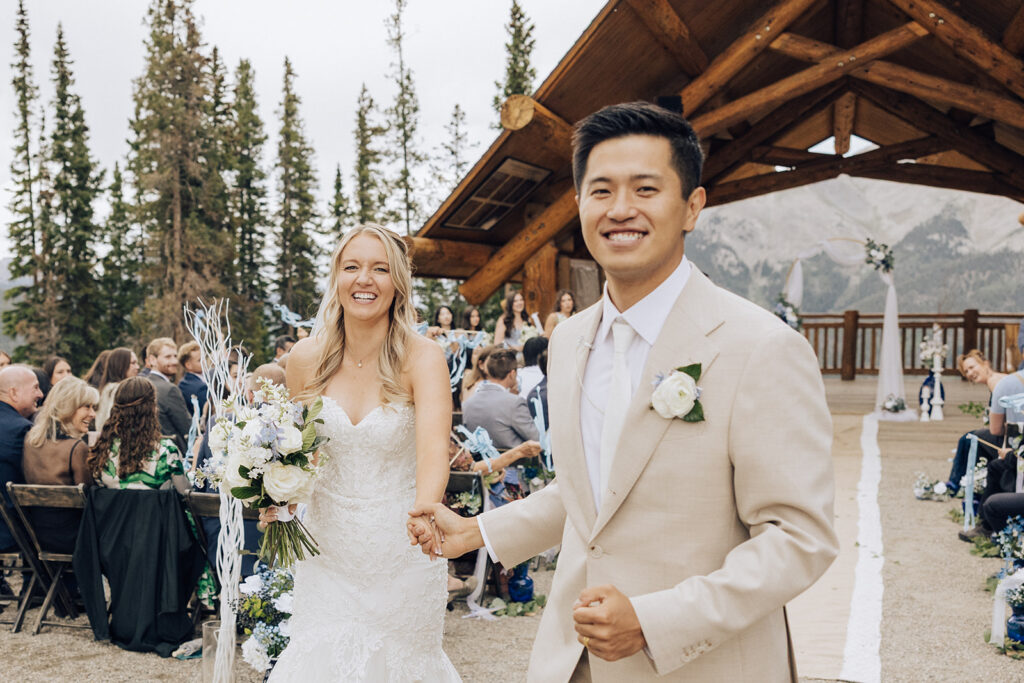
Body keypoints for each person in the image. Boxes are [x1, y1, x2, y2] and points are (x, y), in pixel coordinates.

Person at [410, 102, 837, 681]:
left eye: (645, 189)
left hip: (702, 665)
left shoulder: (760, 346)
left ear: (691, 207)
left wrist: (656, 620)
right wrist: (478, 531)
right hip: (572, 662)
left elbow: (799, 538)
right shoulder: (568, 340)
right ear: (580, 204)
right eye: (602, 190)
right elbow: (591, 495)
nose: (621, 210)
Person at [260, 223, 459, 681]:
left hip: (403, 548)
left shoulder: (423, 356)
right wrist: (277, 498)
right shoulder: (305, 358)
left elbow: (433, 451)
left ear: (398, 284)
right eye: (352, 267)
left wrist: (425, 514)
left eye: (380, 269)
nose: (364, 279)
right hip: (326, 551)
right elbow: (294, 452)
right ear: (336, 277)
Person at [22, 377, 98, 553]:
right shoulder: (77, 449)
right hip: (74, 540)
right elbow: (89, 501)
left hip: (37, 537)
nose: (93, 414)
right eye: (87, 407)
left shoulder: (30, 440)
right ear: (68, 408)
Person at [88, 377, 189, 493]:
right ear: (152, 409)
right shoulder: (166, 452)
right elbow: (185, 493)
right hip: (154, 511)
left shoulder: (102, 450)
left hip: (113, 511)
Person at [944, 350, 1007, 493]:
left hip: (1010, 436)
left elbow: (997, 428)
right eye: (966, 371)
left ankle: (955, 483)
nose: (970, 373)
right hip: (1010, 430)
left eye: (972, 367)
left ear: (985, 364)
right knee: (977, 437)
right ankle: (975, 485)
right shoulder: (1001, 378)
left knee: (968, 438)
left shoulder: (995, 382)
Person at [0, 366, 43, 559]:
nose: (41, 394)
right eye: (35, 388)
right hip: (11, 532)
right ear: (13, 393)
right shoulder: (21, 430)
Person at [145, 337, 191, 453]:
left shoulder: (143, 384)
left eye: (175, 356)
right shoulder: (170, 390)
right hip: (171, 453)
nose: (175, 362)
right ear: (152, 360)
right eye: (168, 357)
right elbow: (188, 429)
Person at [95, 347, 140, 432]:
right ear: (121, 365)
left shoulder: (107, 388)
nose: (137, 367)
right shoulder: (119, 390)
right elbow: (112, 420)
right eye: (133, 363)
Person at [177, 341, 208, 417]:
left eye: (204, 358)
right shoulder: (199, 387)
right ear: (188, 365)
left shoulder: (183, 383)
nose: (204, 362)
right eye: (200, 360)